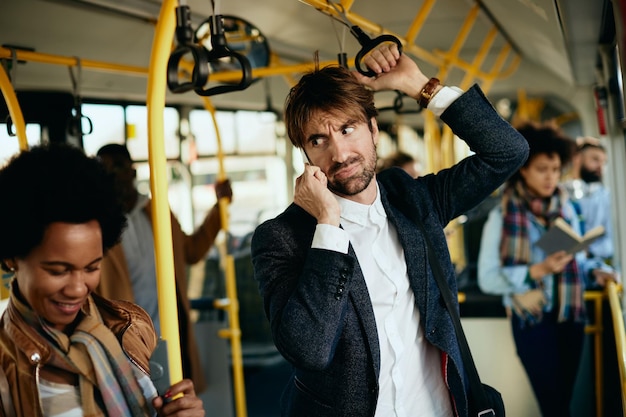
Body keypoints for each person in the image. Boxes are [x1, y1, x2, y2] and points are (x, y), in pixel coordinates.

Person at [250, 43, 529, 417]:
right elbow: (309, 351)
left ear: (374, 129)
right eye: (319, 140)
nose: (340, 153)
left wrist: (418, 85)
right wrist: (328, 225)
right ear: (306, 155)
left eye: (348, 130)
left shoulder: (413, 200)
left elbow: (507, 151)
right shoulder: (282, 237)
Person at [0, 143, 205, 417]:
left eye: (91, 268)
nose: (77, 289)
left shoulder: (131, 326)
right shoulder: (5, 367)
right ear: (12, 257)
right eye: (58, 271)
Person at [477, 122, 616, 416]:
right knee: (552, 404)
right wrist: (535, 271)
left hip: (570, 314)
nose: (551, 177)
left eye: (555, 169)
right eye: (542, 169)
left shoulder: (567, 208)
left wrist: (593, 270)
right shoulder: (503, 216)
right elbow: (486, 278)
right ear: (523, 169)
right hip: (532, 320)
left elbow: (575, 257)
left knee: (563, 401)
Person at [96, 143, 232, 392]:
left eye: (118, 167)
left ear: (133, 172)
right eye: (104, 169)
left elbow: (191, 250)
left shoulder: (157, 213)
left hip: (170, 335)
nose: (112, 175)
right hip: (123, 340)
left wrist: (219, 209)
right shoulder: (97, 226)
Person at [564, 138, 614, 262]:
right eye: (595, 160)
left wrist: (588, 250)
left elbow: (613, 242)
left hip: (594, 263)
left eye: (603, 163)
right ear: (577, 159)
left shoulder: (606, 197)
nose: (600, 167)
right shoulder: (562, 192)